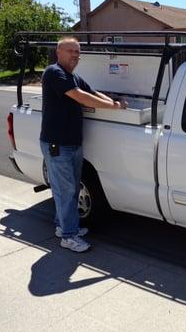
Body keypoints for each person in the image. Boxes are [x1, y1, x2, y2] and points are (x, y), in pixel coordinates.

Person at [40, 37, 126, 252]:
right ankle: (68, 236)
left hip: (73, 143)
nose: (75, 55)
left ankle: (63, 227)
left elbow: (92, 93)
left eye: (78, 52)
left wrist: (115, 103)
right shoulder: (54, 72)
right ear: (59, 52)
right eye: (70, 51)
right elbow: (81, 97)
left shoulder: (73, 76)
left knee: (70, 189)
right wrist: (115, 107)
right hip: (57, 144)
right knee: (65, 191)